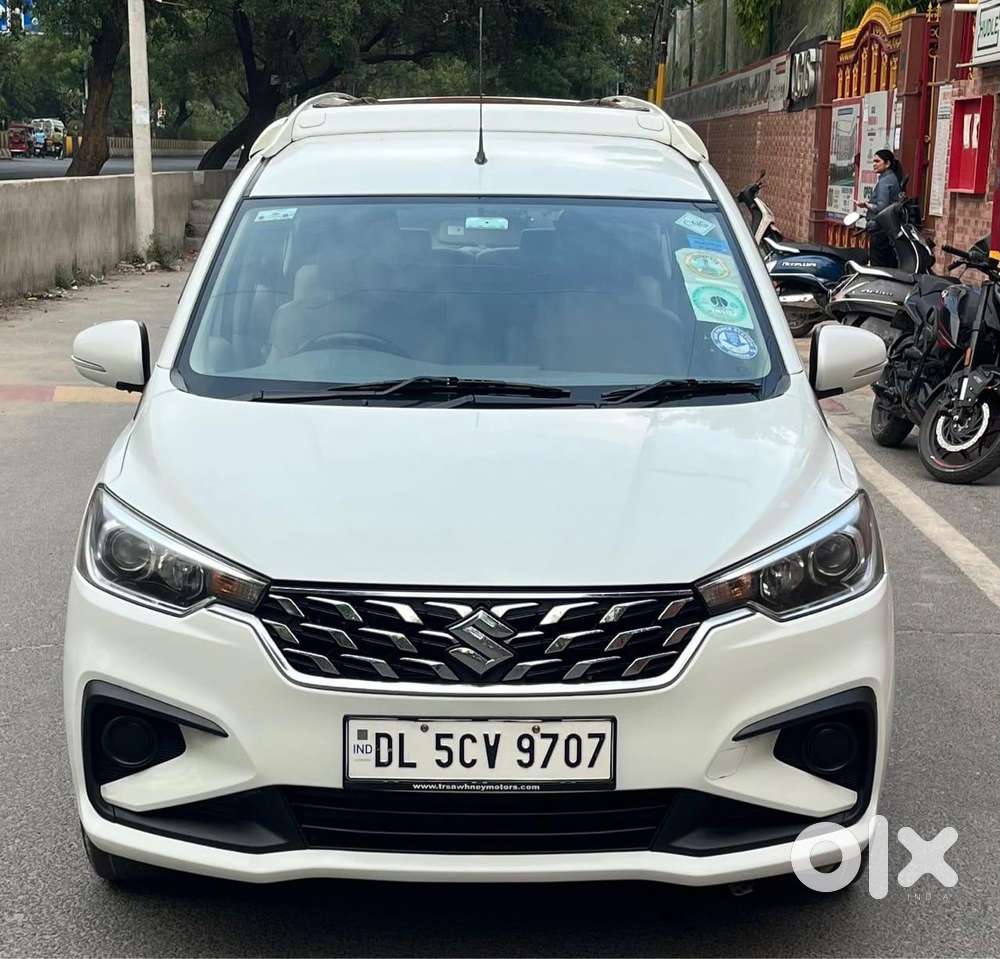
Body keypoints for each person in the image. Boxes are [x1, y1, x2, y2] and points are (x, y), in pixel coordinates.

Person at [857, 149, 904, 268]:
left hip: (881, 230)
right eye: (873, 161)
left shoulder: (885, 180)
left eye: (877, 161)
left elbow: (881, 207)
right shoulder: (891, 178)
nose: (874, 164)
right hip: (887, 230)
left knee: (878, 266)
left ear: (887, 163)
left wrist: (866, 205)